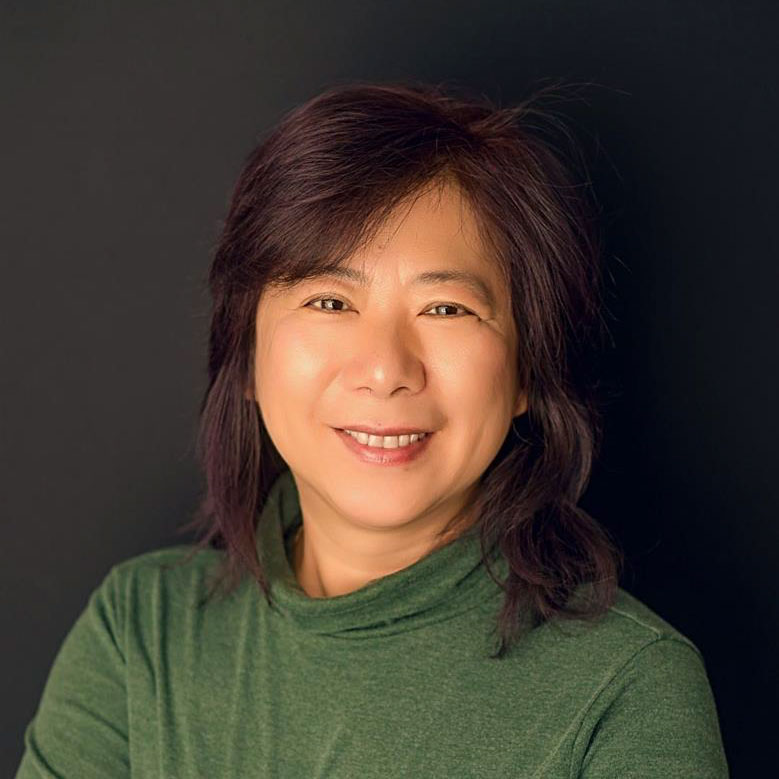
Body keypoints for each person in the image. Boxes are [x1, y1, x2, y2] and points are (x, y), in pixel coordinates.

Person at [15, 80, 729, 777]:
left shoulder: (625, 689)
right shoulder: (141, 633)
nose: (385, 368)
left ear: (524, 372)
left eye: (446, 309)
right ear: (246, 354)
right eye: (329, 300)